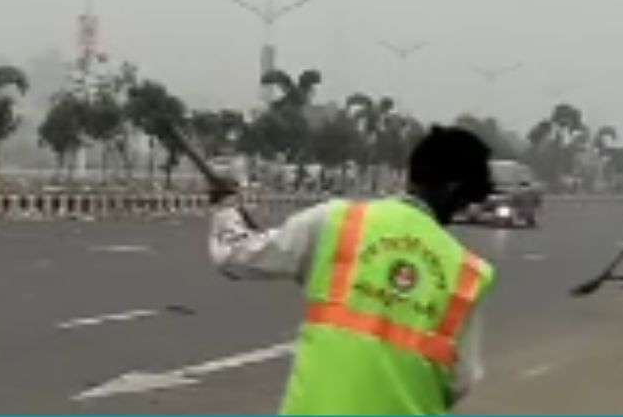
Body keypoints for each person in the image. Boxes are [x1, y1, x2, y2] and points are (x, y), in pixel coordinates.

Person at [208, 126, 497, 415]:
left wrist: (226, 207)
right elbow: (462, 380)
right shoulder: (467, 272)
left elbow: (235, 254)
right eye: (466, 200)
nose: (461, 210)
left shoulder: (336, 220)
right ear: (454, 189)